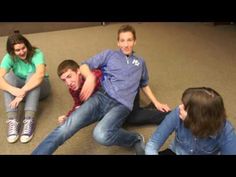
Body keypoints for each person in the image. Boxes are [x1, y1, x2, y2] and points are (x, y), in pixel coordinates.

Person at [32, 24, 170, 155]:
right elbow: (84, 65)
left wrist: (156, 102)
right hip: (101, 97)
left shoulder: (140, 62)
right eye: (122, 40)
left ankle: (135, 139)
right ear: (118, 43)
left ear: (135, 41)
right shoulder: (109, 54)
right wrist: (90, 77)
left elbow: (144, 83)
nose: (126, 44)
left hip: (122, 105)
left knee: (101, 134)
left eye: (129, 40)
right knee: (65, 128)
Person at [145, 87, 236, 155]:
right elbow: (153, 143)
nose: (179, 107)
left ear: (198, 118)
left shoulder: (226, 131)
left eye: (185, 108)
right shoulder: (178, 113)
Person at [0, 32, 51, 143]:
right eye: (17, 50)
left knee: (33, 75)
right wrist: (13, 90)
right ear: (12, 51)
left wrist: (22, 91)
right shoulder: (9, 57)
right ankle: (12, 119)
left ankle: (29, 119)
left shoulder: (37, 53)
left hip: (42, 88)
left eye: (23, 48)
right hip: (21, 90)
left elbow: (40, 75)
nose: (22, 52)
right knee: (7, 77)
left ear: (27, 45)